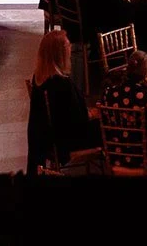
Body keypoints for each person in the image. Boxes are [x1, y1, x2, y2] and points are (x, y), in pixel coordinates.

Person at [26, 29, 99, 174]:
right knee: (107, 127)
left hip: (50, 138)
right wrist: (94, 113)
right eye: (68, 48)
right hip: (66, 141)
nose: (70, 50)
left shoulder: (39, 78)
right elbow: (79, 119)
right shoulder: (62, 84)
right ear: (60, 55)